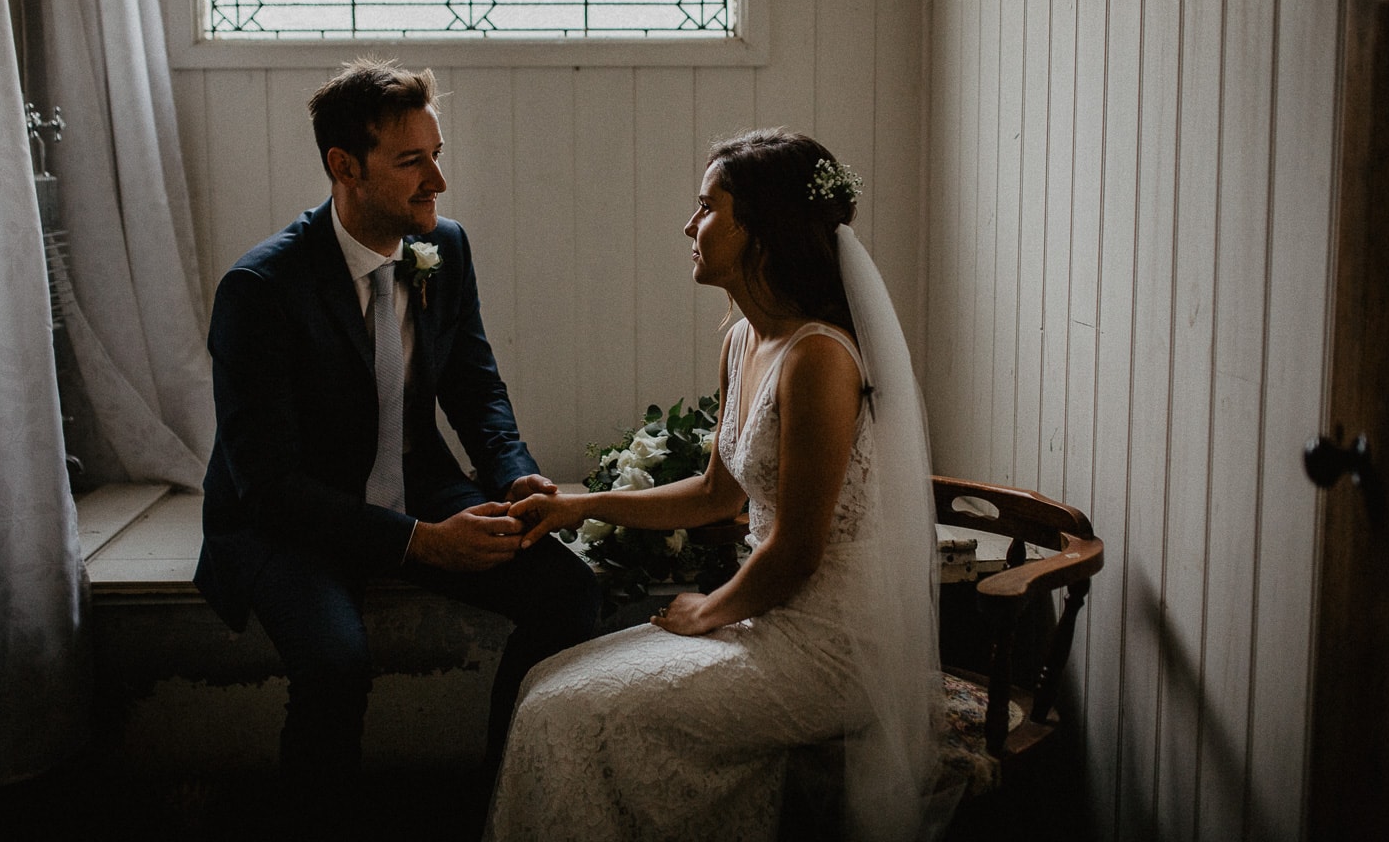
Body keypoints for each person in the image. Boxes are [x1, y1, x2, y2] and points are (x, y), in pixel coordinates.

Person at [486, 129, 949, 841]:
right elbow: (715, 496)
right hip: (765, 617)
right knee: (543, 685)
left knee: (566, 714)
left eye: (706, 207)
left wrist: (711, 611)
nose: (689, 225)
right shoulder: (741, 338)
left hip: (835, 648)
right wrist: (578, 506)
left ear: (761, 228)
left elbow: (796, 550)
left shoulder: (820, 359)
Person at [194, 57, 601, 835]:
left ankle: (501, 807)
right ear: (343, 166)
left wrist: (516, 476)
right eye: (412, 161)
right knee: (336, 662)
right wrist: (421, 543)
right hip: (288, 519)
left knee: (569, 592)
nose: (437, 181)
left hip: (417, 481)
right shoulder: (261, 290)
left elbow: (474, 386)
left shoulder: (442, 246)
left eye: (437, 155)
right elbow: (269, 484)